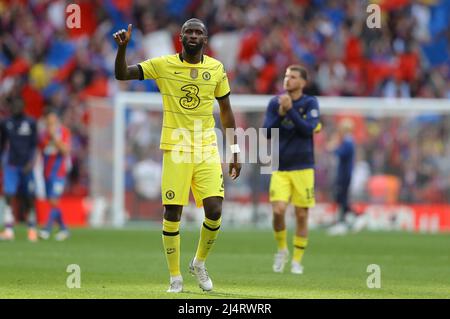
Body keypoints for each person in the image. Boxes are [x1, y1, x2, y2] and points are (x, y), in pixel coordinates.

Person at [113, 18, 241, 293]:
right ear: (180, 37)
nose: (194, 35)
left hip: (207, 146)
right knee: (173, 211)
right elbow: (122, 74)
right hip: (177, 147)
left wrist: (235, 148)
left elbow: (227, 111)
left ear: (205, 40)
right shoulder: (163, 65)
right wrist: (122, 49)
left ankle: (199, 263)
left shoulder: (216, 69)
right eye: (189, 32)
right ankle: (175, 277)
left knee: (215, 210)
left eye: (199, 32)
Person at [263, 65, 321, 274]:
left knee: (301, 215)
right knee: (278, 211)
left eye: (293, 77)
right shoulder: (274, 102)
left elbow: (308, 130)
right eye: (286, 76)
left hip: (304, 167)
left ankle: (297, 260)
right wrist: (280, 113)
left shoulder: (310, 102)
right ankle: (281, 250)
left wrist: (290, 111)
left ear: (303, 82)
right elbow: (266, 133)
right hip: (280, 167)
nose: (288, 80)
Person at [0, 98, 38, 242]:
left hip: (27, 165)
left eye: (18, 105)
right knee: (9, 195)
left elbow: (35, 145)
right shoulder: (5, 123)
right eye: (14, 105)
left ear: (23, 106)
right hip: (11, 165)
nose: (16, 107)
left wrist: (32, 162)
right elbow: (2, 144)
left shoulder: (31, 122)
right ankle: (9, 230)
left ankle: (32, 229)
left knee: (28, 197)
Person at [38, 109, 72, 241]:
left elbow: (65, 150)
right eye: (48, 122)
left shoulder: (63, 132)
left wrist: (55, 137)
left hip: (59, 173)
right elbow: (42, 150)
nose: (50, 124)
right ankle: (64, 229)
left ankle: (47, 229)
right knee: (53, 202)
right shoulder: (42, 135)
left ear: (57, 121)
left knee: (54, 200)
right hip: (46, 172)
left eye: (52, 121)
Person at [326, 118, 356, 236]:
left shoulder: (348, 142)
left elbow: (339, 153)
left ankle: (344, 221)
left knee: (341, 198)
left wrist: (333, 146)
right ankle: (348, 219)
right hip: (344, 174)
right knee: (341, 198)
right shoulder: (347, 141)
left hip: (344, 175)